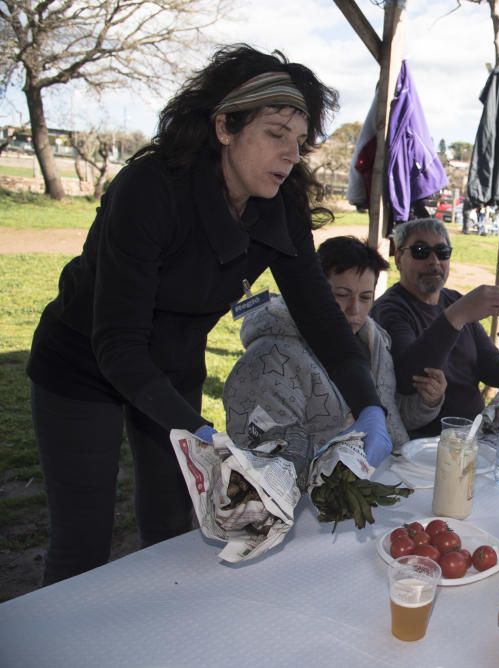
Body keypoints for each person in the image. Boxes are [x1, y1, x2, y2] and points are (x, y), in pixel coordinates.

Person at [26, 44, 390, 585]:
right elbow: (118, 345)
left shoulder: (280, 204)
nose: (291, 154)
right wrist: (203, 436)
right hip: (84, 363)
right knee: (83, 544)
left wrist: (370, 405)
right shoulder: (149, 189)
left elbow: (321, 318)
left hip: (172, 366)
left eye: (299, 141)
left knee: (176, 529)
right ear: (225, 126)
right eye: (275, 134)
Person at [223, 236, 446, 452]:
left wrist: (426, 403)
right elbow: (265, 458)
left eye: (366, 297)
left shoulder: (375, 342)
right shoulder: (271, 361)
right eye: (341, 295)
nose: (355, 310)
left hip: (388, 475)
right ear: (313, 293)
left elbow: (391, 415)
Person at [371, 218, 499, 437]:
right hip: (423, 448)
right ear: (399, 258)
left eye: (442, 252)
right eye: (421, 251)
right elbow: (408, 377)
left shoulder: (454, 301)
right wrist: (456, 316)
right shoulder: (390, 309)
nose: (434, 261)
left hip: (474, 437)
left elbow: (489, 367)